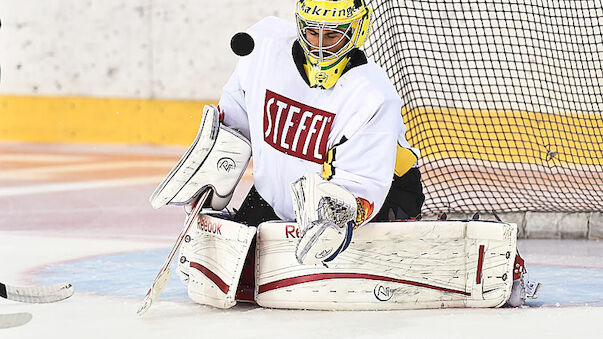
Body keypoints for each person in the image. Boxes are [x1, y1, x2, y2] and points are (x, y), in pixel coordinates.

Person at [217, 0, 424, 265]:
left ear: (356, 32)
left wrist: (339, 218)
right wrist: (212, 172)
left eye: (332, 35)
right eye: (312, 32)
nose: (320, 46)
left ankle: (404, 219)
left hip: (379, 193)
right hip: (283, 194)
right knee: (240, 269)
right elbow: (234, 120)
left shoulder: (372, 95)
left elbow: (364, 182)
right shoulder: (263, 48)